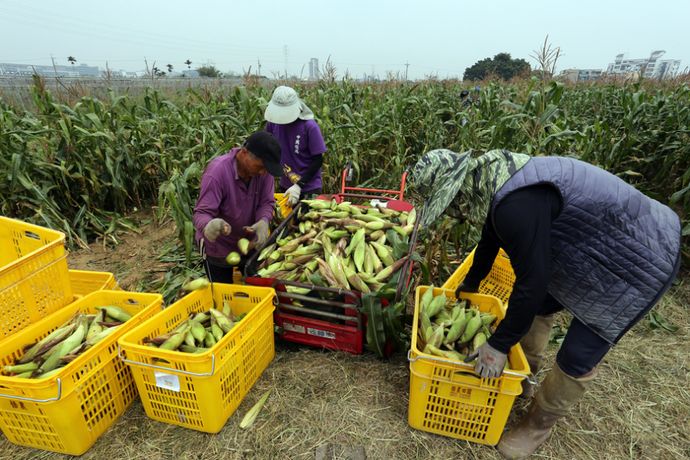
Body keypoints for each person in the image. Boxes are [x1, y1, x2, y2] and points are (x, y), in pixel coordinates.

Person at [411, 149, 681, 459]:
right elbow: (491, 236)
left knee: (579, 351)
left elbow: (532, 283)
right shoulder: (494, 178)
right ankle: (523, 376)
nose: (453, 214)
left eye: (449, 206)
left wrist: (498, 345)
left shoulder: (515, 205)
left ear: (458, 193)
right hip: (591, 244)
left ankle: (538, 424)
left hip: (643, 252)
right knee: (538, 306)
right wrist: (470, 283)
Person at [193, 131, 282, 283]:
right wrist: (209, 225)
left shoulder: (264, 173)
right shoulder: (217, 172)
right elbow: (201, 213)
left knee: (255, 285)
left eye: (266, 169)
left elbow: (266, 202)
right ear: (244, 153)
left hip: (249, 244)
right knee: (222, 292)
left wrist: (263, 221)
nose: (263, 172)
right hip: (218, 248)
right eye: (260, 167)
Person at [264, 86, 327, 206]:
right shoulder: (273, 123)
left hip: (309, 187)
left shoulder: (309, 126)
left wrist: (299, 185)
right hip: (286, 185)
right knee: (287, 222)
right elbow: (267, 149)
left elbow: (318, 160)